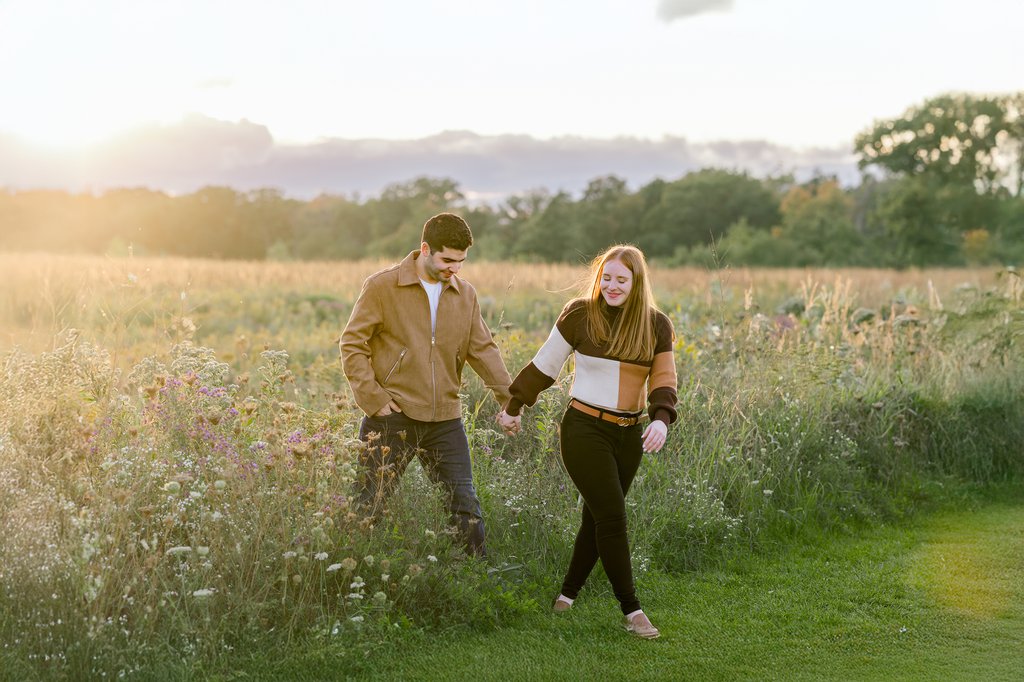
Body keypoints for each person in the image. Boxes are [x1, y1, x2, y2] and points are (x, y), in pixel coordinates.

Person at [497, 244, 677, 639]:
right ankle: (632, 611)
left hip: (629, 435)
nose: (612, 286)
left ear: (637, 283)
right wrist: (514, 405)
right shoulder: (580, 314)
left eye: (621, 280)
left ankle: (567, 594)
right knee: (613, 517)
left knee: (596, 518)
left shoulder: (656, 325)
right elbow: (546, 364)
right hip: (584, 429)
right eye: (606, 278)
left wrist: (661, 420)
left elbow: (663, 381)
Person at [340, 213, 514, 556]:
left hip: (445, 420)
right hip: (392, 417)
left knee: (465, 508)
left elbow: (483, 350)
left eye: (461, 262)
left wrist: (511, 399)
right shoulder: (382, 286)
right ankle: (349, 576)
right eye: (448, 260)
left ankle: (474, 583)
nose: (455, 269)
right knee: (367, 507)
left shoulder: (465, 295)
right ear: (425, 249)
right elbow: (352, 344)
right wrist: (373, 400)